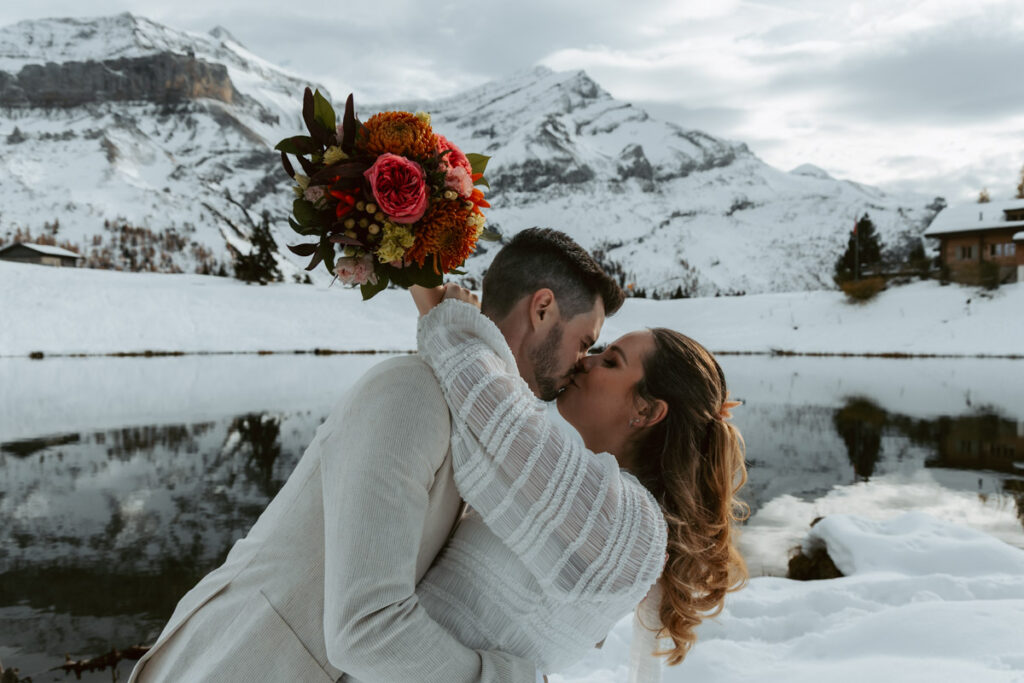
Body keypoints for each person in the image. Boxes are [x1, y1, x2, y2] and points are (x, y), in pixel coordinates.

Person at [128, 228, 623, 683]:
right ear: (542, 310)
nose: (582, 365)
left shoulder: (481, 433)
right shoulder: (414, 392)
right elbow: (366, 628)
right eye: (586, 342)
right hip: (235, 665)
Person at [409, 283, 749, 681]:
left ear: (647, 410)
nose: (587, 361)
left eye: (611, 361)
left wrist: (448, 315)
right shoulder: (605, 501)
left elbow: (498, 417)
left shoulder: (629, 527)